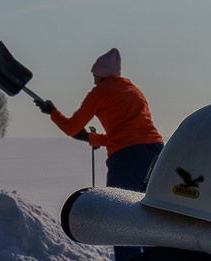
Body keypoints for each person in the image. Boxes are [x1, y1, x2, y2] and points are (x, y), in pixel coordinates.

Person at [45, 48, 165, 193]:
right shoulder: (134, 91)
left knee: (119, 206)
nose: (94, 81)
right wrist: (91, 138)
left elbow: (71, 128)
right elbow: (129, 134)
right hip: (156, 152)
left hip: (126, 158)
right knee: (151, 202)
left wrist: (52, 111)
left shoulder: (99, 93)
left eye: (94, 76)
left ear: (101, 74)